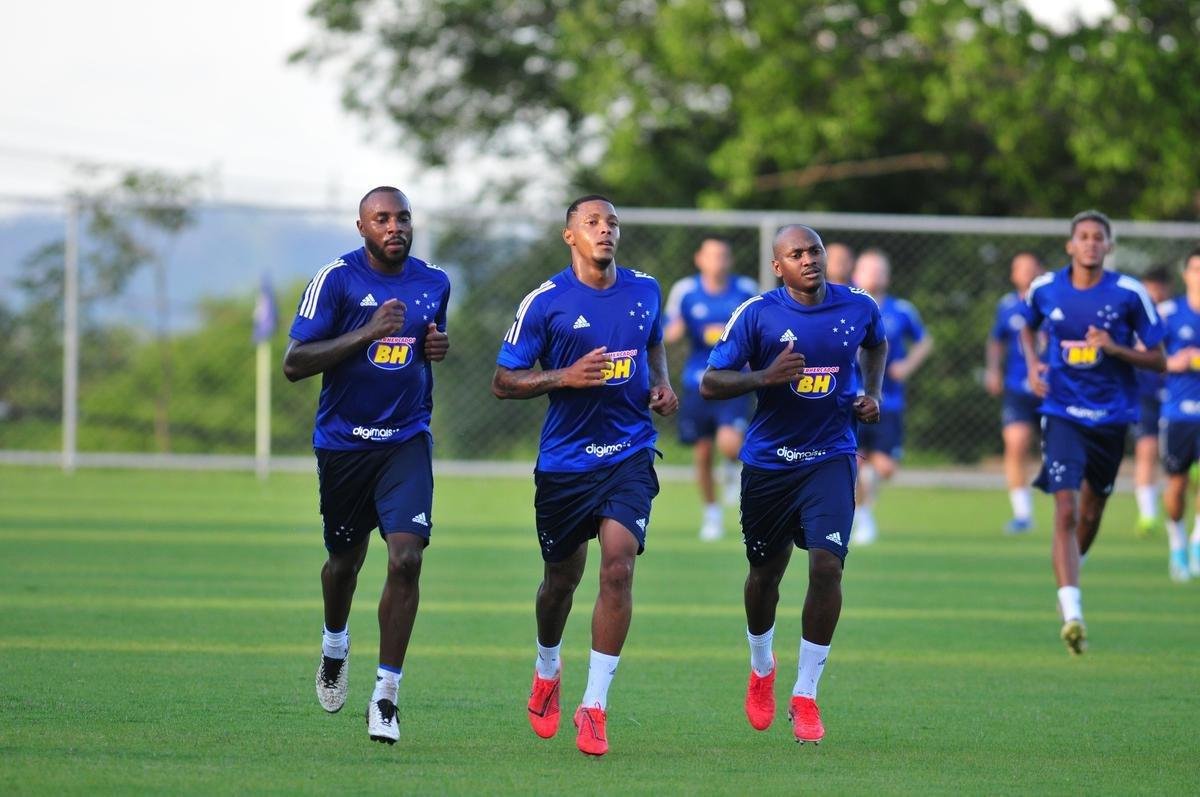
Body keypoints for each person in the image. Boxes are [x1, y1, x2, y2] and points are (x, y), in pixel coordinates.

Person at [491, 195, 678, 757]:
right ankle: (548, 665)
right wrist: (564, 377)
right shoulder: (545, 302)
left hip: (629, 454)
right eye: (592, 223)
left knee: (618, 566)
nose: (605, 230)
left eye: (612, 222)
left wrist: (659, 386)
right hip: (566, 465)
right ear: (569, 236)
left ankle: (593, 707)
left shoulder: (645, 288)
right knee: (560, 584)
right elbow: (504, 380)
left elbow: (652, 341)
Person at [701, 224, 887, 745]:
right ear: (778, 266)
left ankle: (805, 694)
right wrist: (764, 377)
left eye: (816, 251)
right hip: (768, 465)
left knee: (827, 566)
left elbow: (877, 343)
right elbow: (711, 382)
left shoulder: (859, 306)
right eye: (796, 254)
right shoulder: (757, 314)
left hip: (831, 455)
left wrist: (871, 393)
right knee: (765, 575)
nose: (809, 259)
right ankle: (762, 667)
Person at [283, 186, 451, 745]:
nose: (394, 226)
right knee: (343, 564)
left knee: (406, 559)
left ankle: (386, 695)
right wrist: (368, 332)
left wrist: (433, 348)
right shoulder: (336, 279)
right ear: (361, 227)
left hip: (406, 440)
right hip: (344, 446)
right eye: (382, 218)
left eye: (403, 217)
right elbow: (295, 362)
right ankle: (335, 644)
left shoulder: (434, 282)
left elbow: (424, 344)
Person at [1020, 210, 1165, 655]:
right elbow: (1027, 327)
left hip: (1111, 416)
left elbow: (1158, 359)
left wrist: (1116, 347)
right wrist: (1032, 367)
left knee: (1091, 511)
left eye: (1097, 237)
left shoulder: (1128, 293)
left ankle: (1070, 573)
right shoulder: (1045, 288)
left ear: (1108, 246)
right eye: (1082, 236)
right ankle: (1072, 611)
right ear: (1070, 245)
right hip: (1062, 411)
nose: (1089, 243)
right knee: (1064, 508)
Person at [664, 237, 760, 540]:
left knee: (730, 443)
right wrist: (671, 332)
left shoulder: (744, 289)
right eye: (712, 255)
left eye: (723, 255)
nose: (718, 261)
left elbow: (760, 327)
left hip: (733, 381)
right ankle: (712, 513)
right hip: (698, 382)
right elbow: (669, 331)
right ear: (699, 259)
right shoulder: (686, 291)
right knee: (703, 452)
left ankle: (733, 466)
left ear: (729, 260)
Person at [850, 249, 932, 544]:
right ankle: (864, 519)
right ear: (856, 273)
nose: (875, 275)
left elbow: (924, 341)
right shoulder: (845, 306)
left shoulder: (902, 310)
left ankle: (869, 490)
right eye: (868, 269)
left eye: (880, 269)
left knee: (885, 468)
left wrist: (906, 366)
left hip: (890, 401)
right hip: (852, 400)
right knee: (854, 465)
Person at [985, 251, 1045, 534]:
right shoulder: (1008, 306)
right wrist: (993, 371)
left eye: (1031, 268)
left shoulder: (1053, 302)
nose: (1027, 273)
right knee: (1016, 443)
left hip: (1051, 389)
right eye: (1020, 268)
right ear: (1013, 274)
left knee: (1057, 451)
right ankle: (1022, 513)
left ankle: (1067, 505)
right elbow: (996, 341)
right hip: (1017, 388)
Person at [1157, 248, 1200, 581]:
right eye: (1196, 269)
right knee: (1177, 485)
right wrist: (1174, 362)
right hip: (1177, 414)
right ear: (1185, 273)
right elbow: (1145, 355)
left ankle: (1198, 543)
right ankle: (1177, 544)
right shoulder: (1169, 313)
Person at [1132, 267, 1173, 536]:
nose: (1154, 293)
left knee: (1179, 461)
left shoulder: (1176, 314)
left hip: (1178, 395)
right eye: (1149, 288)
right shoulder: (1134, 316)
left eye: (1158, 288)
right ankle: (1148, 514)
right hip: (1144, 394)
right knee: (1146, 449)